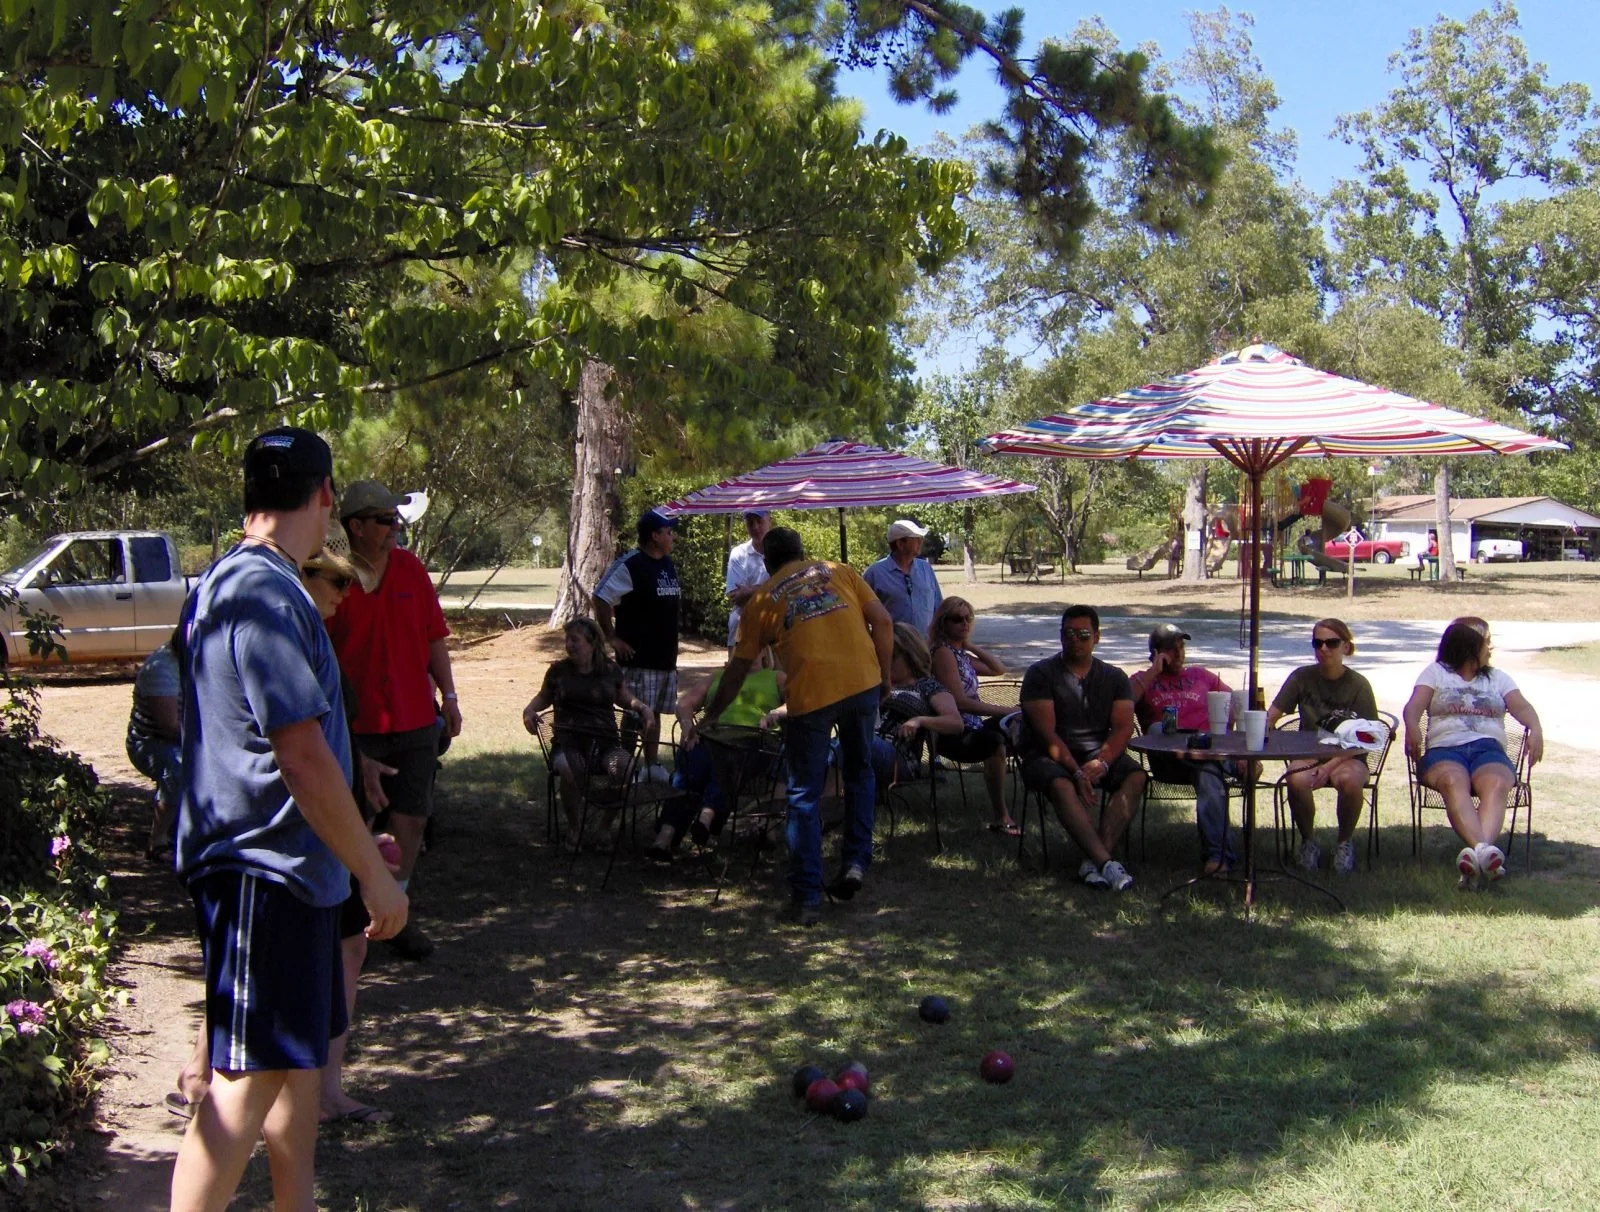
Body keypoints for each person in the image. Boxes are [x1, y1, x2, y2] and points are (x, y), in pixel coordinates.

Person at [170, 427, 406, 1212]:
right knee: (242, 1089)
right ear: (327, 495)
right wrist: (375, 878)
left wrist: (347, 841)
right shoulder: (267, 592)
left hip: (294, 871)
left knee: (295, 1072)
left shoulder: (231, 581)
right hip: (262, 873)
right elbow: (299, 756)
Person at [703, 527, 893, 925]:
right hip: (863, 683)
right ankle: (856, 862)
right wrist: (886, 675)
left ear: (767, 562)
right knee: (859, 772)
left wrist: (715, 712)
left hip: (811, 695)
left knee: (804, 794)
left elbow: (738, 667)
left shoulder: (761, 601)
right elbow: (884, 622)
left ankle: (807, 897)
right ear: (802, 551)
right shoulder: (838, 570)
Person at [329, 478, 461, 962]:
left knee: (411, 817)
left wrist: (449, 697)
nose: (394, 528)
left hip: (413, 721)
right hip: (353, 727)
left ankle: (397, 911)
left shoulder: (411, 570)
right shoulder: (333, 578)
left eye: (395, 519)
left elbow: (434, 638)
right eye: (385, 520)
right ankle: (348, 914)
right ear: (356, 526)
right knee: (351, 820)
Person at [1402, 616, 1543, 889]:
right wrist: (1412, 726)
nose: (1491, 648)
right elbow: (1413, 707)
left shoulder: (1498, 678)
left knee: (1499, 781)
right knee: (1454, 781)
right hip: (1444, 749)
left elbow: (1522, 708)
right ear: (1470, 645)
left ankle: (1476, 858)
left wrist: (1536, 728)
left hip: (1487, 749)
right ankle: (1485, 853)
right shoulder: (1436, 673)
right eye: (1486, 642)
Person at [1018, 606, 1145, 891]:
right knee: (1061, 784)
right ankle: (1107, 863)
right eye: (1068, 633)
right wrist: (1077, 773)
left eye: (1083, 634)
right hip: (1045, 755)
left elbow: (1123, 727)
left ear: (1097, 637)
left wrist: (1103, 762)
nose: (1074, 639)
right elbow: (1046, 734)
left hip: (1096, 754)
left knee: (1135, 776)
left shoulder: (1114, 677)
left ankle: (1093, 860)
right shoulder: (1041, 674)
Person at [522, 617, 656, 847]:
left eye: (575, 640)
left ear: (592, 643)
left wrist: (643, 707)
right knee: (569, 768)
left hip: (606, 744)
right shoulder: (558, 671)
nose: (569, 645)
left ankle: (603, 828)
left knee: (625, 767)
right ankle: (575, 827)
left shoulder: (610, 670)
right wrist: (529, 710)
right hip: (569, 743)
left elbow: (623, 698)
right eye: (567, 640)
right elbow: (543, 697)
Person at [1266, 617, 1380, 875]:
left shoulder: (1359, 685)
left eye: (1332, 643)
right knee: (1295, 779)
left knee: (1350, 781)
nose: (1324, 649)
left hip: (1349, 755)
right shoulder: (1300, 678)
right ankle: (1308, 842)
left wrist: (1329, 768)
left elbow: (1366, 738)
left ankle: (1344, 843)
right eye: (1318, 643)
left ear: (1346, 647)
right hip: (1309, 753)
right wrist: (1261, 725)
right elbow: (1272, 715)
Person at [645, 660, 786, 861]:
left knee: (725, 760)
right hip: (713, 738)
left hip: (754, 743)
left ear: (764, 649)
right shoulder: (720, 675)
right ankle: (666, 836)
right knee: (691, 759)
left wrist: (775, 713)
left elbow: (798, 702)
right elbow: (685, 702)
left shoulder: (776, 677)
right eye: (740, 643)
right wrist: (687, 726)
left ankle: (707, 816)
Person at [1126, 622, 1237, 874]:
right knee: (1157, 729)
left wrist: (1235, 737)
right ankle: (1220, 855)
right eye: (1171, 649)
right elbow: (1123, 703)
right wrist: (1153, 672)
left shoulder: (1202, 676)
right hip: (1171, 761)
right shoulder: (1142, 680)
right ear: (1156, 653)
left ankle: (1218, 858)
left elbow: (1235, 704)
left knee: (1209, 770)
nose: (1179, 654)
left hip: (1210, 753)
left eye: (1181, 647)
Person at [594, 507, 681, 774]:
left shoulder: (666, 563)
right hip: (638, 659)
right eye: (669, 532)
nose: (673, 536)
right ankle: (623, 766)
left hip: (664, 658)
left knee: (652, 713)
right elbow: (600, 597)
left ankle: (651, 766)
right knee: (634, 715)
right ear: (654, 536)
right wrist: (612, 637)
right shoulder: (630, 565)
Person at [926, 597, 1016, 835]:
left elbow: (998, 669)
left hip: (973, 725)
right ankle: (1001, 815)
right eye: (957, 619)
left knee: (1023, 723)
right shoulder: (943, 653)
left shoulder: (959, 653)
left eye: (968, 618)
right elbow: (960, 702)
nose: (964, 623)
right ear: (943, 623)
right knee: (997, 740)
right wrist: (1007, 711)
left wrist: (970, 645)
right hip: (955, 730)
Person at [126, 634, 182, 862]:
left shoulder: (198, 661)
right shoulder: (162, 668)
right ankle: (157, 841)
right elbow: (170, 728)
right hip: (149, 743)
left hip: (185, 737)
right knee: (178, 765)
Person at [862, 518, 943, 633]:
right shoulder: (875, 573)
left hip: (925, 646)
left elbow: (938, 606)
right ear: (900, 544)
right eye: (915, 539)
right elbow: (862, 613)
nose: (921, 542)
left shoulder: (926, 569)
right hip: (894, 647)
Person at [724, 510, 772, 653]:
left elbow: (789, 588)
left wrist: (749, 590)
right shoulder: (739, 554)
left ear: (770, 520)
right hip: (742, 626)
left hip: (774, 625)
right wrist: (771, 588)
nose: (756, 527)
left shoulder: (782, 551)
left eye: (759, 521)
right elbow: (735, 597)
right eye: (750, 523)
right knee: (739, 673)